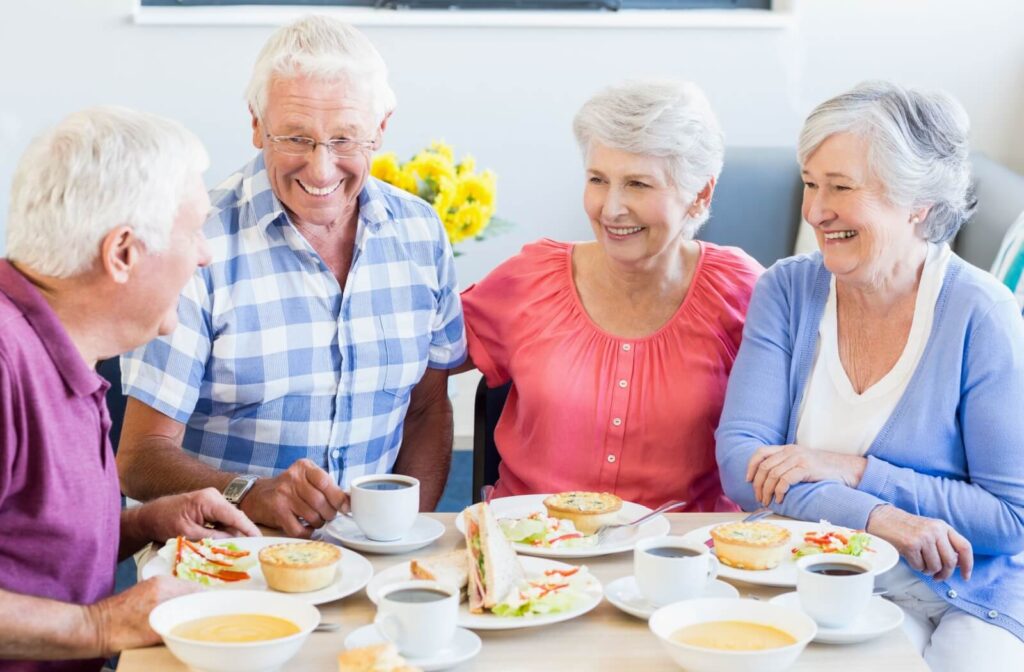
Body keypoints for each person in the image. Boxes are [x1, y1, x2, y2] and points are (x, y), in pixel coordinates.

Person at [117, 16, 467, 537]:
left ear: (381, 128)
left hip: (371, 556)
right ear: (257, 124)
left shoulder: (420, 232)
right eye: (296, 138)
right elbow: (140, 458)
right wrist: (249, 494)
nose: (321, 171)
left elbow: (426, 409)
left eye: (345, 138)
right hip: (231, 556)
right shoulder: (195, 241)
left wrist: (404, 536)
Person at [716, 81, 1024, 671]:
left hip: (974, 591)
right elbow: (741, 464)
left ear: (918, 203)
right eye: (810, 183)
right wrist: (878, 516)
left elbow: (1010, 519)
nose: (814, 211)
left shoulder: (980, 314)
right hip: (833, 571)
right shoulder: (788, 290)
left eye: (840, 187)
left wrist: (853, 471)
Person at [0, 107, 260, 672]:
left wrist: (146, 523)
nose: (205, 254)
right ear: (122, 253)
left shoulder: (65, 350)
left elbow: (27, 549)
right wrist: (100, 625)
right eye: (193, 232)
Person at [456, 80, 762, 510]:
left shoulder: (742, 291)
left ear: (701, 194)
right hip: (533, 550)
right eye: (598, 179)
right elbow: (419, 360)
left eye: (637, 184)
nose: (611, 207)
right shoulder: (530, 280)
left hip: (679, 559)